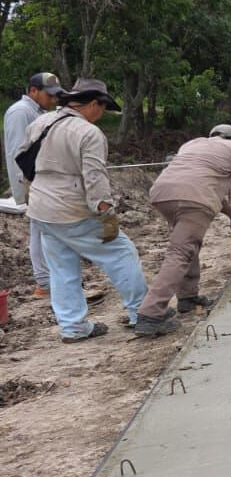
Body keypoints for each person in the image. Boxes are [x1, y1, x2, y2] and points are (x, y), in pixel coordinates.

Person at [18, 79, 147, 343]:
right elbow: (95, 177)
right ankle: (143, 313)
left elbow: (22, 160)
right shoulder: (88, 133)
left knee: (62, 268)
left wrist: (32, 194)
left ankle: (73, 327)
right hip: (71, 209)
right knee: (122, 253)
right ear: (93, 104)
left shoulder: (41, 123)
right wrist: (105, 212)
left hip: (42, 208)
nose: (101, 114)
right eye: (102, 107)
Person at [136, 125, 231, 334]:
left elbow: (206, 185)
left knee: (185, 243)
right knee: (180, 252)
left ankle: (188, 297)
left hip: (162, 194)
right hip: (193, 199)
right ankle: (150, 314)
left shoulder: (193, 144)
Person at [4, 72, 63, 297]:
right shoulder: (21, 112)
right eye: (49, 95)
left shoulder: (37, 111)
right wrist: (25, 187)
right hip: (32, 182)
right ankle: (44, 284)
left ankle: (48, 281)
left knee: (44, 230)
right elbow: (17, 153)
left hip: (40, 181)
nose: (53, 100)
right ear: (33, 91)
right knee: (39, 231)